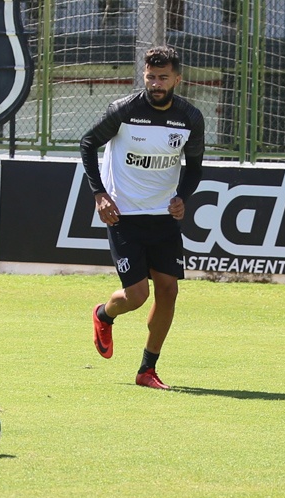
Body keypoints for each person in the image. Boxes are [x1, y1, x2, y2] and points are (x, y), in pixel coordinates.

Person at [80, 45, 205, 390]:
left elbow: (195, 167)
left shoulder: (190, 117)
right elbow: (88, 143)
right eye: (151, 77)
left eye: (163, 77)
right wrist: (100, 195)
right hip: (124, 215)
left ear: (177, 79)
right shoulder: (124, 110)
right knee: (136, 296)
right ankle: (103, 314)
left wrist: (182, 197)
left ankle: (147, 370)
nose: (156, 84)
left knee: (168, 291)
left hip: (163, 217)